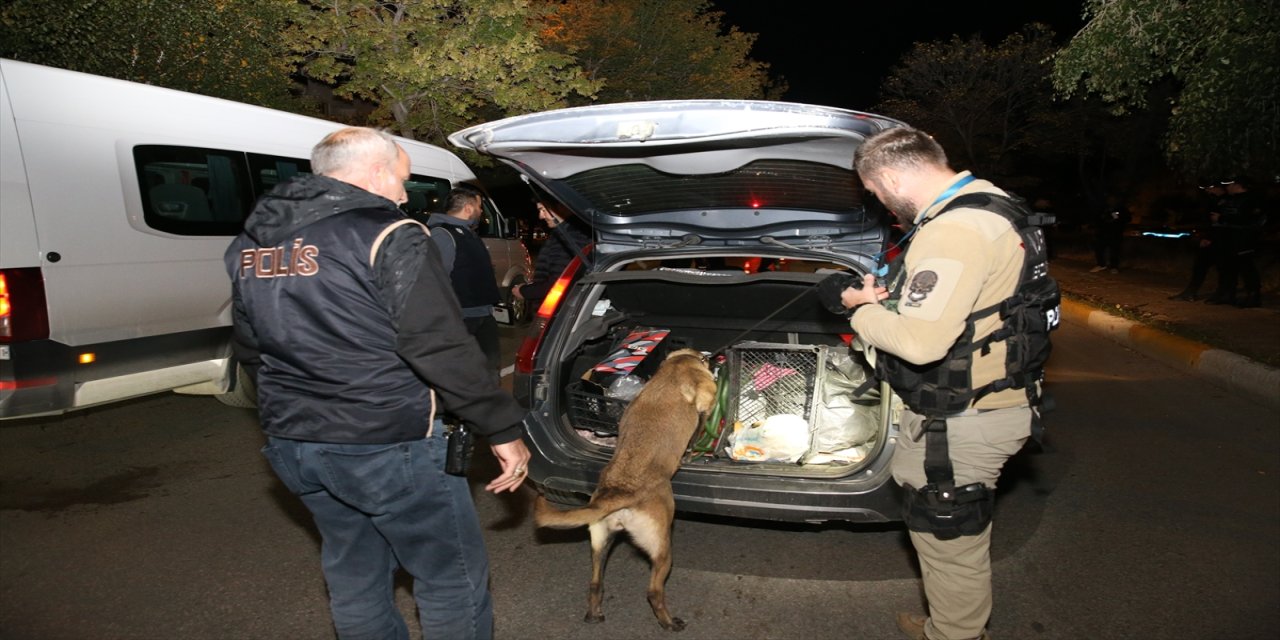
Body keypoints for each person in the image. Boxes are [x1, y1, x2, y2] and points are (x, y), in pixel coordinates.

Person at [224, 127, 531, 640]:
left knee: (355, 578)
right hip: (389, 442)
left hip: (296, 442)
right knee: (449, 580)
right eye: (401, 178)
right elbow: (435, 343)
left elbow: (251, 348)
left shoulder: (252, 245)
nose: (405, 194)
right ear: (373, 171)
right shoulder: (389, 234)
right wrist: (500, 427)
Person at [841, 127, 1043, 640]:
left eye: (875, 192)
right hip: (979, 405)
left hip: (964, 420)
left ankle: (955, 634)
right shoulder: (996, 206)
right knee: (944, 539)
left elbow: (921, 343)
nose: (880, 203)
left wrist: (862, 312)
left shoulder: (955, 230)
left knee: (951, 544)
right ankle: (950, 622)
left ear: (889, 176)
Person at [428, 185, 504, 373]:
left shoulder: (468, 232)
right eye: (479, 207)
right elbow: (435, 280)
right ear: (468, 208)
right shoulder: (442, 234)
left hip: (482, 315)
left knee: (488, 370)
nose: (480, 211)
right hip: (461, 319)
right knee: (462, 374)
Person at [512, 198, 589, 314]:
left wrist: (523, 291)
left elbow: (558, 284)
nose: (541, 216)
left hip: (558, 312)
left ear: (561, 207)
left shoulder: (569, 237)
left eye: (543, 210)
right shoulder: (567, 233)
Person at [1205, 179, 1265, 307]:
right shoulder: (1232, 199)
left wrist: (1221, 218)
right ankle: (1228, 294)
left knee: (1246, 267)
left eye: (1229, 185)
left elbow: (1248, 219)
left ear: (1237, 185)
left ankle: (1254, 296)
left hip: (1244, 238)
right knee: (1229, 267)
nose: (1227, 188)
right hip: (1230, 238)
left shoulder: (1251, 200)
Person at [1170, 182, 1226, 301]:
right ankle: (1191, 292)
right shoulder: (1212, 200)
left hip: (1220, 240)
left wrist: (1209, 237)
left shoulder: (1225, 202)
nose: (1207, 191)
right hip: (1212, 238)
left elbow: (1219, 224)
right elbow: (1209, 222)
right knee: (1200, 266)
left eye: (1209, 188)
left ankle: (1222, 294)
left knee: (1221, 268)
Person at [1090, 193, 1131, 274]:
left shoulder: (1121, 209)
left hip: (1115, 234)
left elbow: (1127, 219)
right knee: (1099, 248)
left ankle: (1114, 267)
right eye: (1109, 199)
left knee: (1114, 251)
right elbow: (1097, 219)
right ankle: (1101, 264)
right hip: (1103, 233)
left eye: (1113, 199)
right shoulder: (1103, 208)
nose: (1111, 201)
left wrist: (1115, 216)